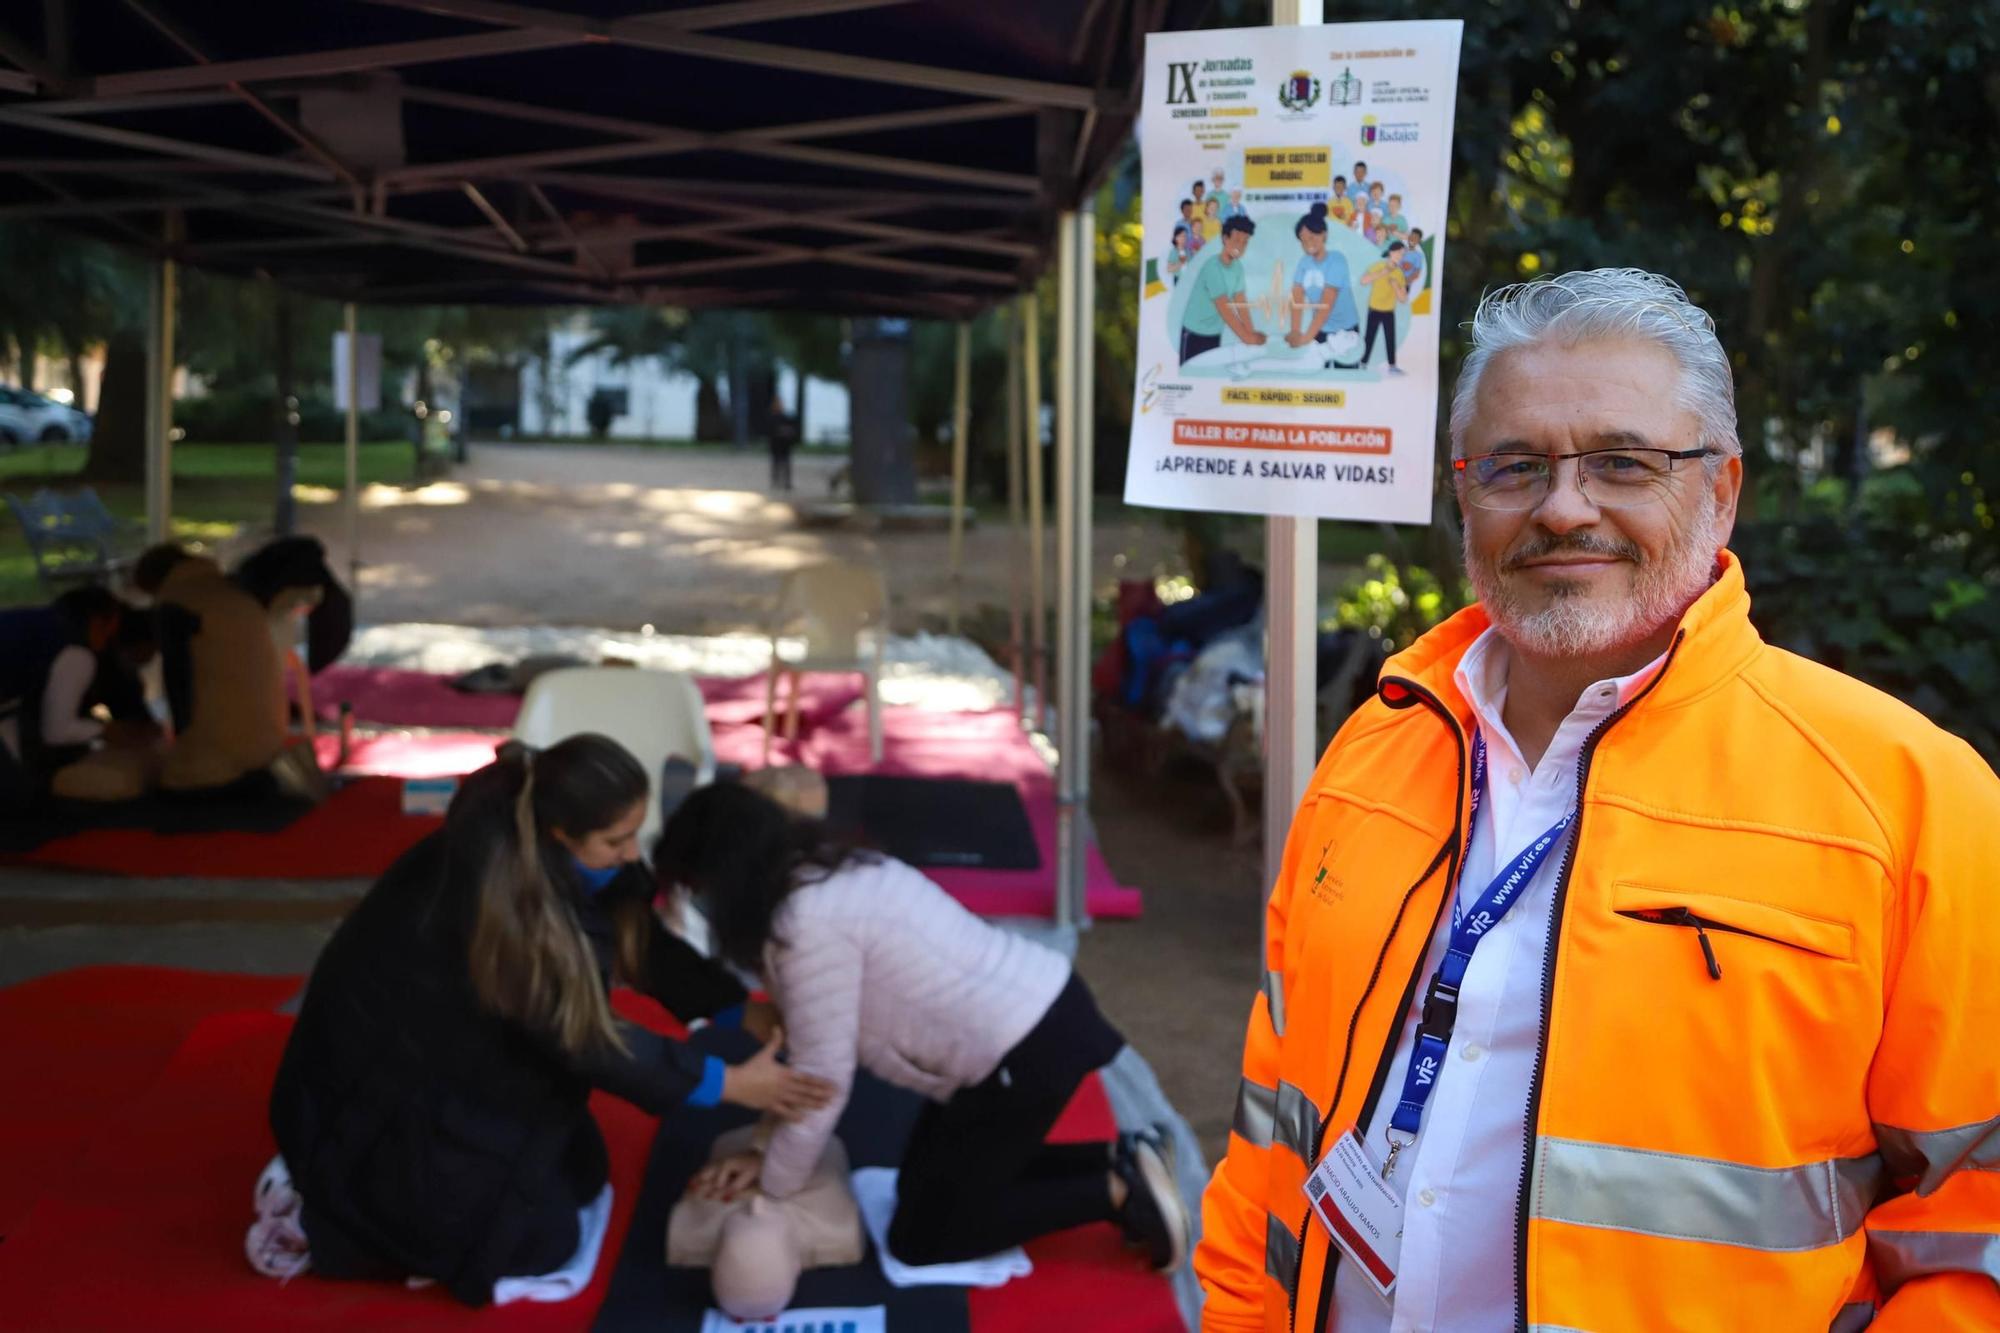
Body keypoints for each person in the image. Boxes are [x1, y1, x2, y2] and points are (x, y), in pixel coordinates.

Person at [1196, 268, 2000, 1332]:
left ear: (1720, 489)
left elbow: (1974, 1235)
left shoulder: (1906, 797)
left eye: (1622, 462)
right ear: (1463, 491)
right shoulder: (1372, 751)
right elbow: (1272, 1130)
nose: (1562, 506)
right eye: (1514, 465)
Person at [266, 736, 835, 1306]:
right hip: (391, 1090)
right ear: (562, 834)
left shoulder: (548, 848)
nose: (633, 853)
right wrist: (729, 1083)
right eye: (615, 840)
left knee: (582, 1173)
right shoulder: (498, 901)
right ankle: (314, 1214)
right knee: (541, 1242)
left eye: (636, 832)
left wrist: (737, 1007)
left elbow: (639, 937)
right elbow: (585, 1036)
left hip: (467, 1062)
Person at [655, 783, 1192, 1273]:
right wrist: (764, 1147)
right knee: (921, 1187)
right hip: (1031, 1021)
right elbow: (807, 1044)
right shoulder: (824, 869)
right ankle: (1120, 1155)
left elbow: (821, 1078)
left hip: (1022, 1052)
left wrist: (773, 1184)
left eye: (697, 890)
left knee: (925, 1236)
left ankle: (1117, 1192)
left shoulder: (804, 922)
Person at [0, 586, 155, 801]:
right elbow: (56, 731)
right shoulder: (75, 652)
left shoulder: (37, 626)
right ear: (103, 621)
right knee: (19, 799)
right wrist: (105, 730)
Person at [1178, 214, 1263, 366]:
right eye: (1237, 240)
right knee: (1191, 375)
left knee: (1209, 377)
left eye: (1245, 242)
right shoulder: (1212, 267)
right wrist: (1246, 337)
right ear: (1225, 238)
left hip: (1214, 333)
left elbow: (1240, 302)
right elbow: (1223, 306)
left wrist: (1251, 333)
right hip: (1194, 333)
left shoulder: (1237, 268)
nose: (1240, 246)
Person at [1286, 202, 1360, 367]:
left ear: (1324, 235)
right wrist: (1295, 331)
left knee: (1346, 377)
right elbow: (1296, 300)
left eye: (1312, 237)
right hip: (1320, 330)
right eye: (1303, 240)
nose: (1308, 244)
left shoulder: (1337, 260)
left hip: (1345, 331)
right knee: (1320, 374)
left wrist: (1305, 338)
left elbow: (1326, 304)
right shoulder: (1303, 264)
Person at [1358, 242, 1409, 375]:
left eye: (1402, 254)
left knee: (1390, 337)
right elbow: (1363, 280)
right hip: (1374, 308)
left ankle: (1392, 366)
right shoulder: (1378, 265)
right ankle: (1363, 364)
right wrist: (1383, 273)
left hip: (1388, 311)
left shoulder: (1399, 273)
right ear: (1391, 252)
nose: (1400, 256)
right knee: (1369, 337)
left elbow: (1403, 299)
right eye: (1398, 253)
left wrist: (1395, 286)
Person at [766, 392, 800, 492]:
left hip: (785, 444)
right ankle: (776, 481)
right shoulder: (772, 417)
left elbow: (792, 428)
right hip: (776, 445)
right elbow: (770, 431)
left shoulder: (784, 416)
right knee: (776, 463)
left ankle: (786, 482)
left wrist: (788, 432)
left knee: (786, 464)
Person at [1397, 227, 1427, 295]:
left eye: (1415, 238)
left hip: (1404, 285)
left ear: (1419, 241)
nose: (1412, 239)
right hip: (1394, 279)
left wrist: (1405, 282)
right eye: (1411, 236)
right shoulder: (1401, 250)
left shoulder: (1418, 255)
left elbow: (1416, 274)